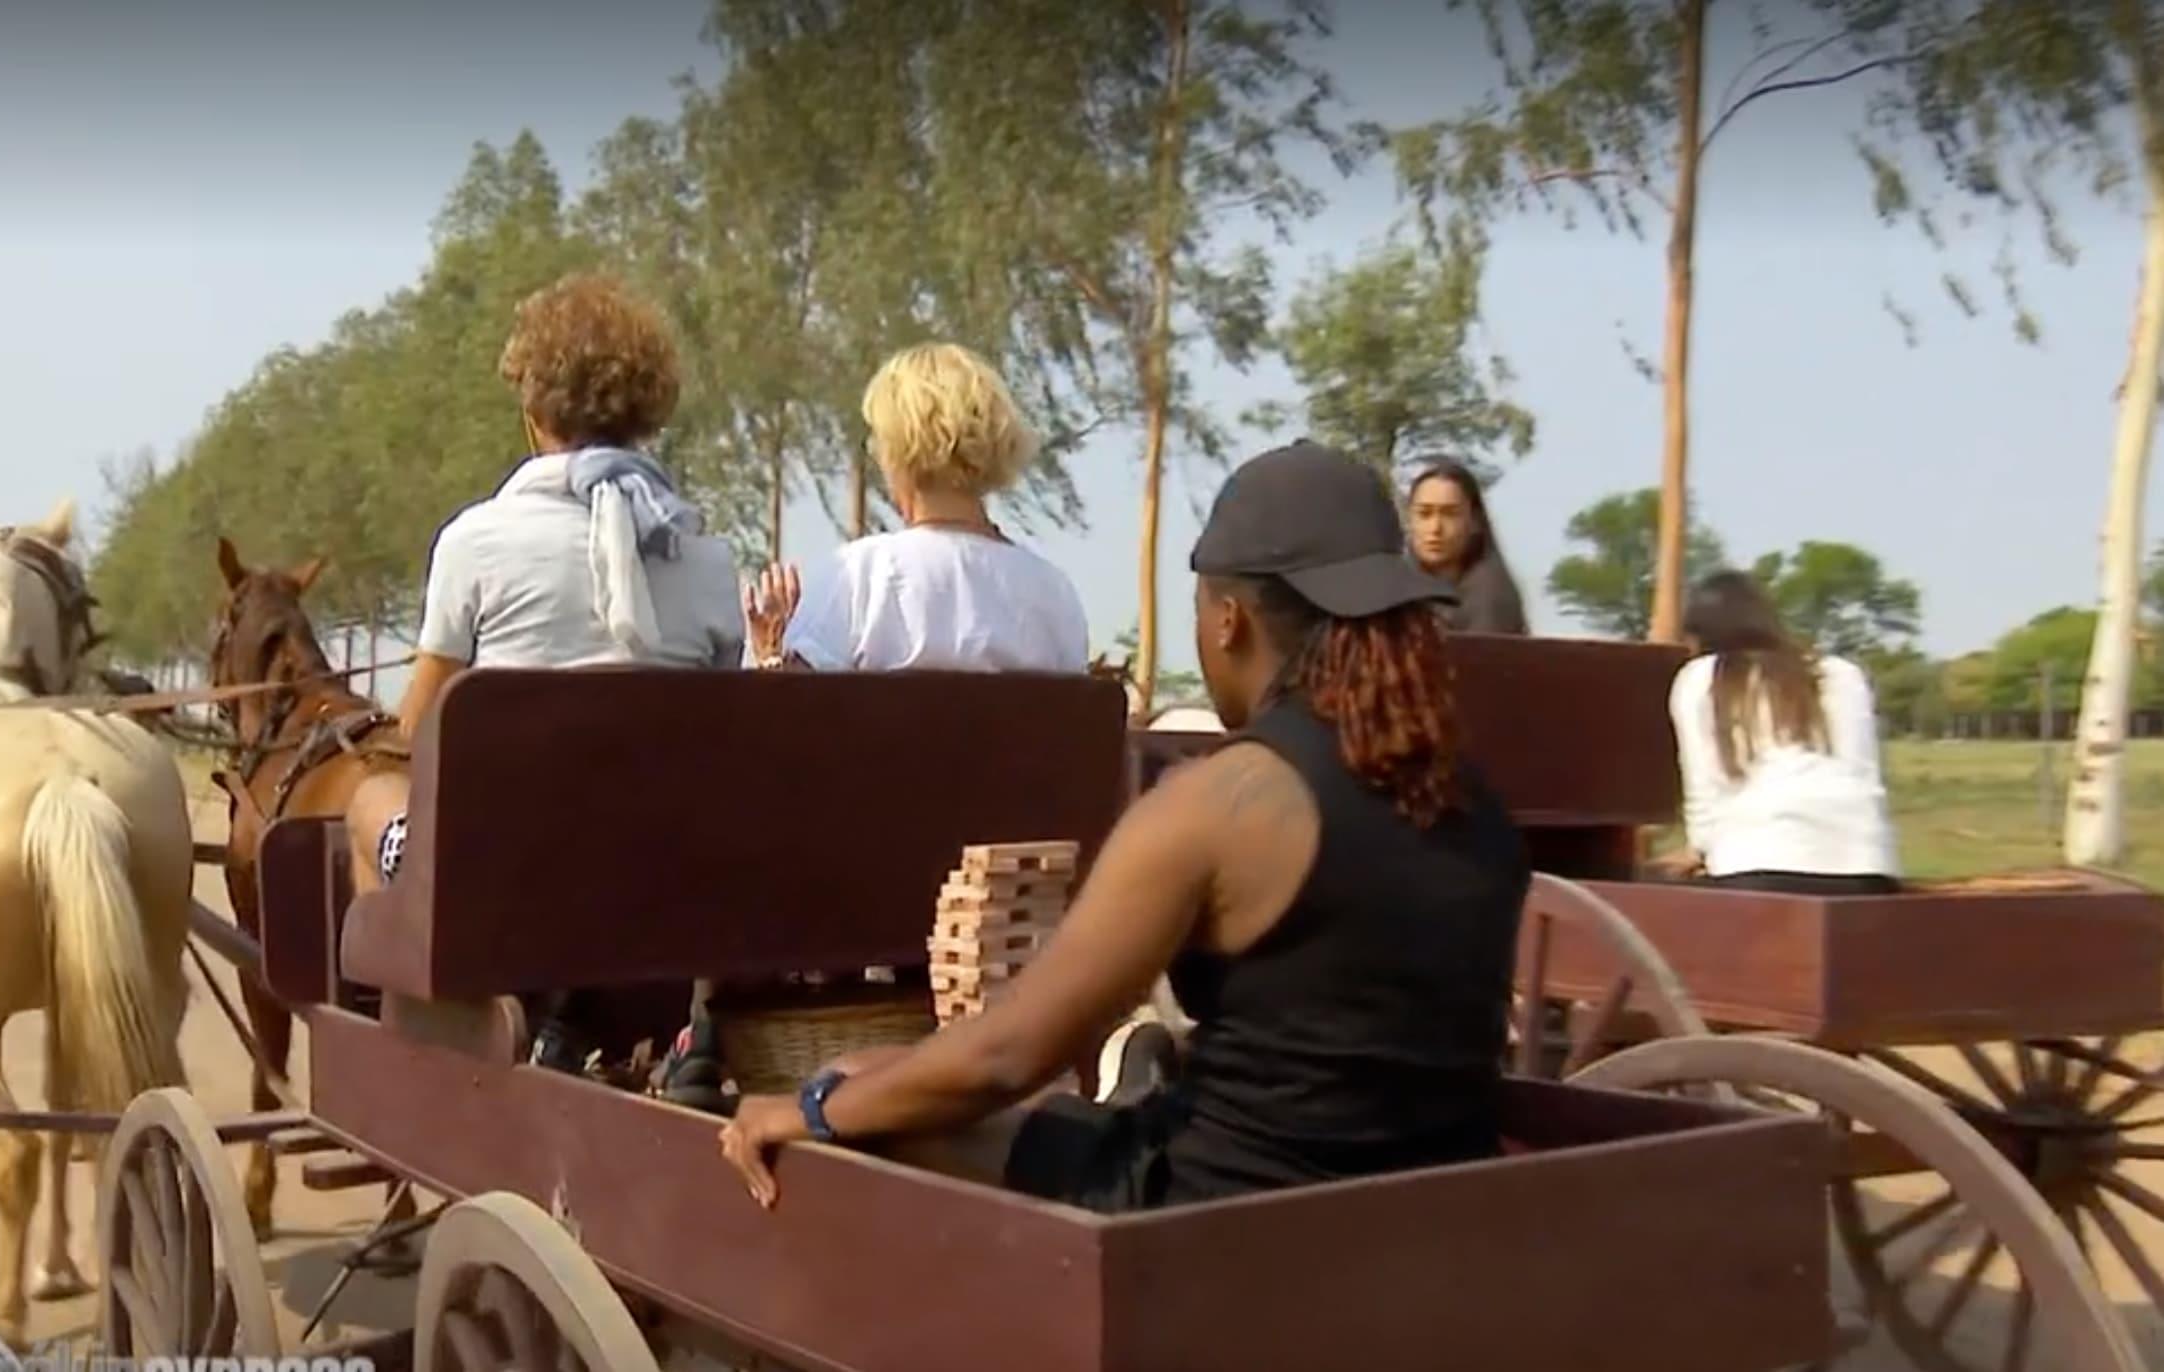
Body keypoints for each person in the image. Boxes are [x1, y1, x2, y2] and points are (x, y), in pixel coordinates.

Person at [717, 440, 1531, 1213]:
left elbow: (1003, 1057)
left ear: (1229, 620)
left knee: (856, 1083)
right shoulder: (1472, 802)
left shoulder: (1222, 804)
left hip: (1206, 1219)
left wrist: (810, 1108)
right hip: (1423, 1216)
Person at [343, 272, 744, 1060]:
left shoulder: (475, 542)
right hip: (663, 883)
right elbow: (720, 728)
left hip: (502, 890)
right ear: (645, 415)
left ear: (534, 415)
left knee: (368, 799)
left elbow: (417, 734)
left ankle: (410, 1027)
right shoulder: (707, 559)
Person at [742, 342, 1088, 673]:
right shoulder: (1055, 594)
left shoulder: (856, 577)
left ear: (896, 449)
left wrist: (771, 657)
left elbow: (790, 708)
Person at [1661, 569, 1900, 895]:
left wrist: (1701, 847)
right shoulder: (1842, 673)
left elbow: (1703, 783)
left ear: (1698, 633)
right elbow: (1863, 773)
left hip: (1759, 862)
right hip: (1865, 865)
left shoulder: (1700, 678)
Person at [1401, 458, 1529, 635]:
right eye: (1424, 514)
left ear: (1474, 521)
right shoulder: (1390, 591)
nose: (1435, 528)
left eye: (1450, 514)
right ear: (1409, 519)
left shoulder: (1492, 597)